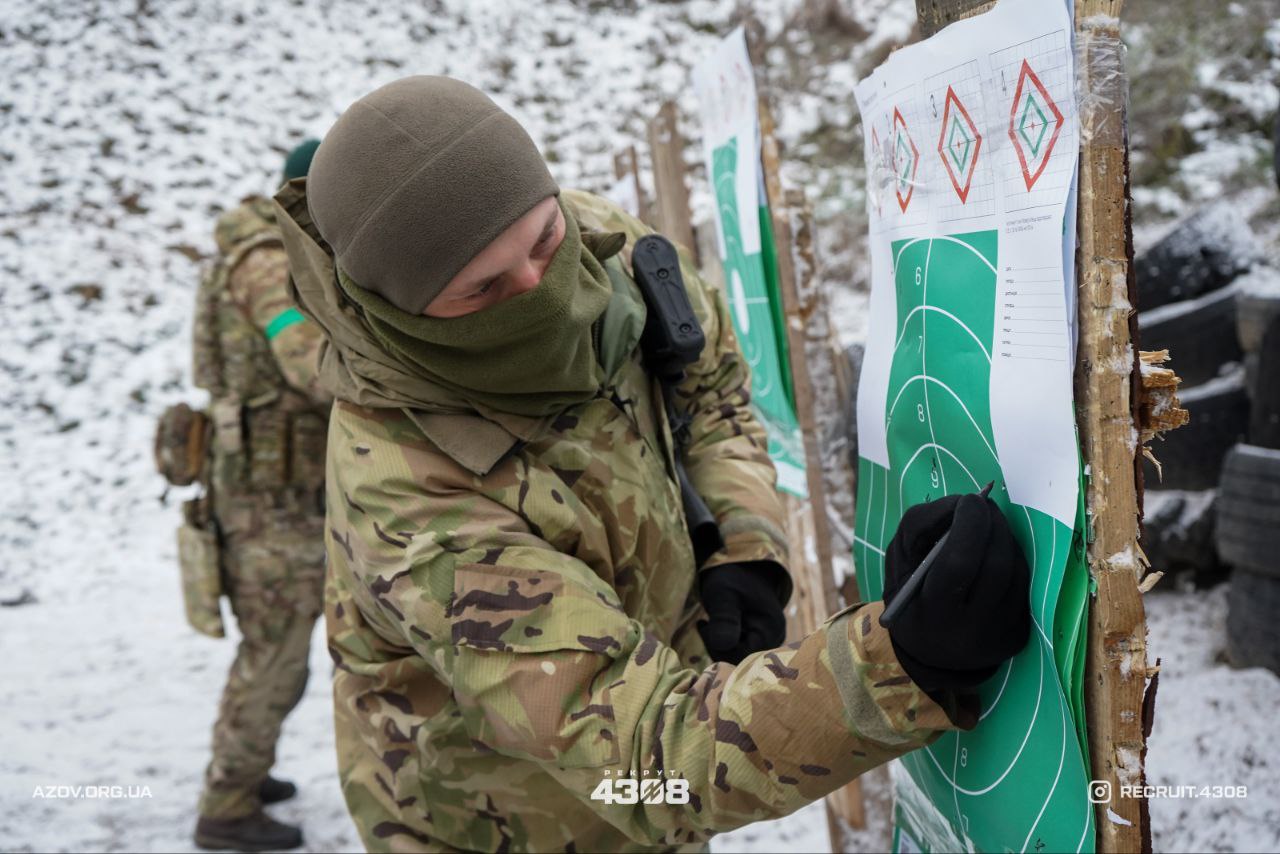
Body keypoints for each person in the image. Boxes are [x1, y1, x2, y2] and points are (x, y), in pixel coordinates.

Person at [273, 76, 1031, 852]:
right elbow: (643, 759)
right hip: (504, 824)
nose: (544, 289)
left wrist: (744, 544)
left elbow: (711, 384)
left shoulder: (601, 245)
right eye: (484, 290)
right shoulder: (407, 488)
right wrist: (900, 660)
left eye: (542, 242)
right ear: (401, 309)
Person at [190, 139, 331, 852]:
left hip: (269, 495)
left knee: (273, 654)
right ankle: (226, 805)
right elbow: (307, 363)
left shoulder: (254, 248)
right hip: (272, 508)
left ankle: (246, 768)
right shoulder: (268, 262)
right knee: (274, 658)